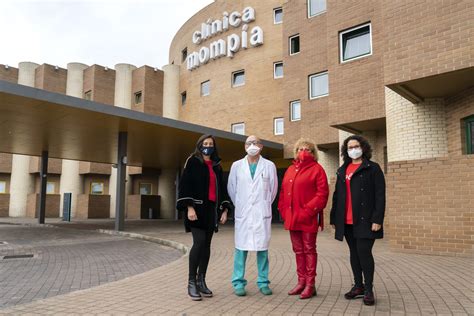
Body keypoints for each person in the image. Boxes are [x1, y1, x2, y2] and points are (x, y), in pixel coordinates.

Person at [330, 135, 385, 306]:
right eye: (349, 147)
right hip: (346, 221)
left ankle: (368, 289)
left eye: (356, 146)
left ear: (363, 147)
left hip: (366, 220)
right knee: (354, 254)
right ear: (346, 151)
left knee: (364, 253)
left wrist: (377, 219)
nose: (353, 150)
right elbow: (337, 195)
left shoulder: (372, 168)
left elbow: (380, 195)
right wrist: (334, 218)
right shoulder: (342, 170)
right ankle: (358, 286)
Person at [176, 134, 233, 301]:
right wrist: (190, 207)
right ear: (199, 145)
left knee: (207, 246)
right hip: (196, 210)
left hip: (211, 211)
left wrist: (224, 210)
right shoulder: (192, 161)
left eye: (211, 144)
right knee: (199, 243)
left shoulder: (217, 165)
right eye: (205, 143)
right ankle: (191, 282)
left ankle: (202, 281)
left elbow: (222, 189)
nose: (208, 146)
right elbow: (185, 186)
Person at [278, 138, 329, 299]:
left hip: (308, 218)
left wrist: (307, 211)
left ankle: (310, 284)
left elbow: (322, 195)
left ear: (313, 153)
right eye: (300, 149)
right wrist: (283, 211)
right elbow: (283, 192)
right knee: (298, 250)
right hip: (292, 218)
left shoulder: (317, 169)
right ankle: (301, 282)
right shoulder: (291, 169)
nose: (303, 152)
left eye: (307, 149)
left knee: (309, 249)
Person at [227, 135, 278, 296]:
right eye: (249, 143)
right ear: (244, 146)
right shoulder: (236, 166)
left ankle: (263, 282)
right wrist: (242, 205)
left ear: (261, 146)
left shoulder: (269, 165)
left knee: (262, 249)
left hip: (261, 213)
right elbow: (232, 188)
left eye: (255, 143)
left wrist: (262, 205)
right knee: (240, 249)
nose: (252, 145)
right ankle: (238, 283)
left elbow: (273, 189)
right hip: (244, 213)